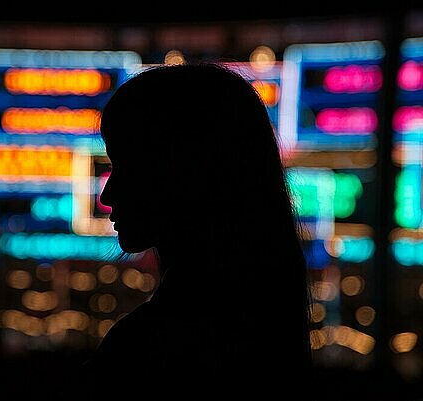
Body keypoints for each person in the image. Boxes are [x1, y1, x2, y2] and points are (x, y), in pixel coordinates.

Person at [67, 63, 313, 399]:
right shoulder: (267, 324)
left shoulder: (148, 347)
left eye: (126, 168)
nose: (108, 196)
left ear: (182, 173)